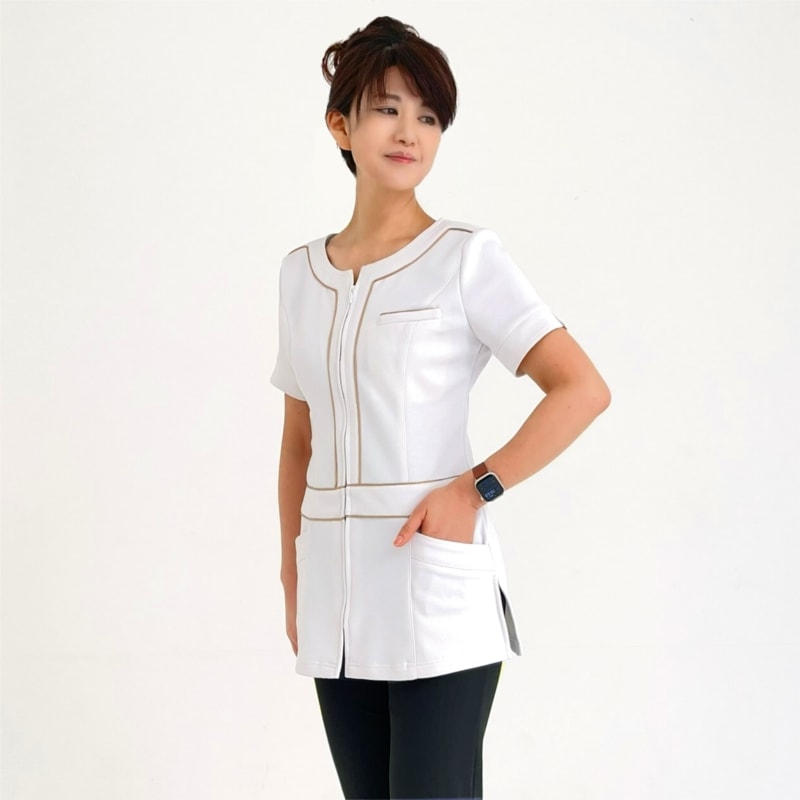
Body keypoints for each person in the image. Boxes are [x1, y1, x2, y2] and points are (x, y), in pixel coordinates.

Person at [271, 15, 611, 800]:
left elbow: (581, 388)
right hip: (334, 600)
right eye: (387, 109)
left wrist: (475, 488)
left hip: (435, 588)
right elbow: (298, 442)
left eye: (428, 117)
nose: (409, 132)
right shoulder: (299, 276)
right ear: (340, 125)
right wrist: (291, 571)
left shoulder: (465, 257)